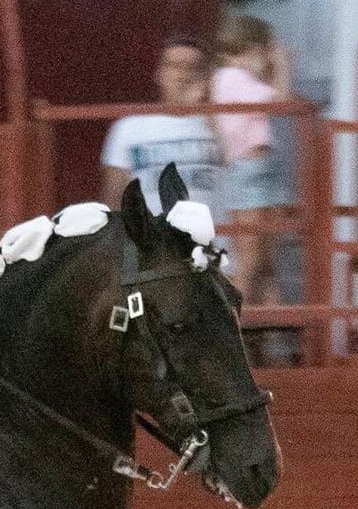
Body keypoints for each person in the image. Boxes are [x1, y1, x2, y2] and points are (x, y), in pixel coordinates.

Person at [212, 14, 293, 307]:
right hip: (251, 171)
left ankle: (273, 345)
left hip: (256, 170)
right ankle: (236, 333)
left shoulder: (229, 79)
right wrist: (283, 64)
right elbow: (281, 102)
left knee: (266, 264)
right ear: (252, 49)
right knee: (250, 263)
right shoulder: (232, 78)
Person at [101, 37, 225, 213]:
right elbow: (113, 196)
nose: (183, 74)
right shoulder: (129, 127)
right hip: (152, 237)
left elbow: (240, 172)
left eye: (192, 67)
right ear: (159, 74)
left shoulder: (219, 121)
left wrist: (206, 107)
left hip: (209, 236)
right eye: (175, 66)